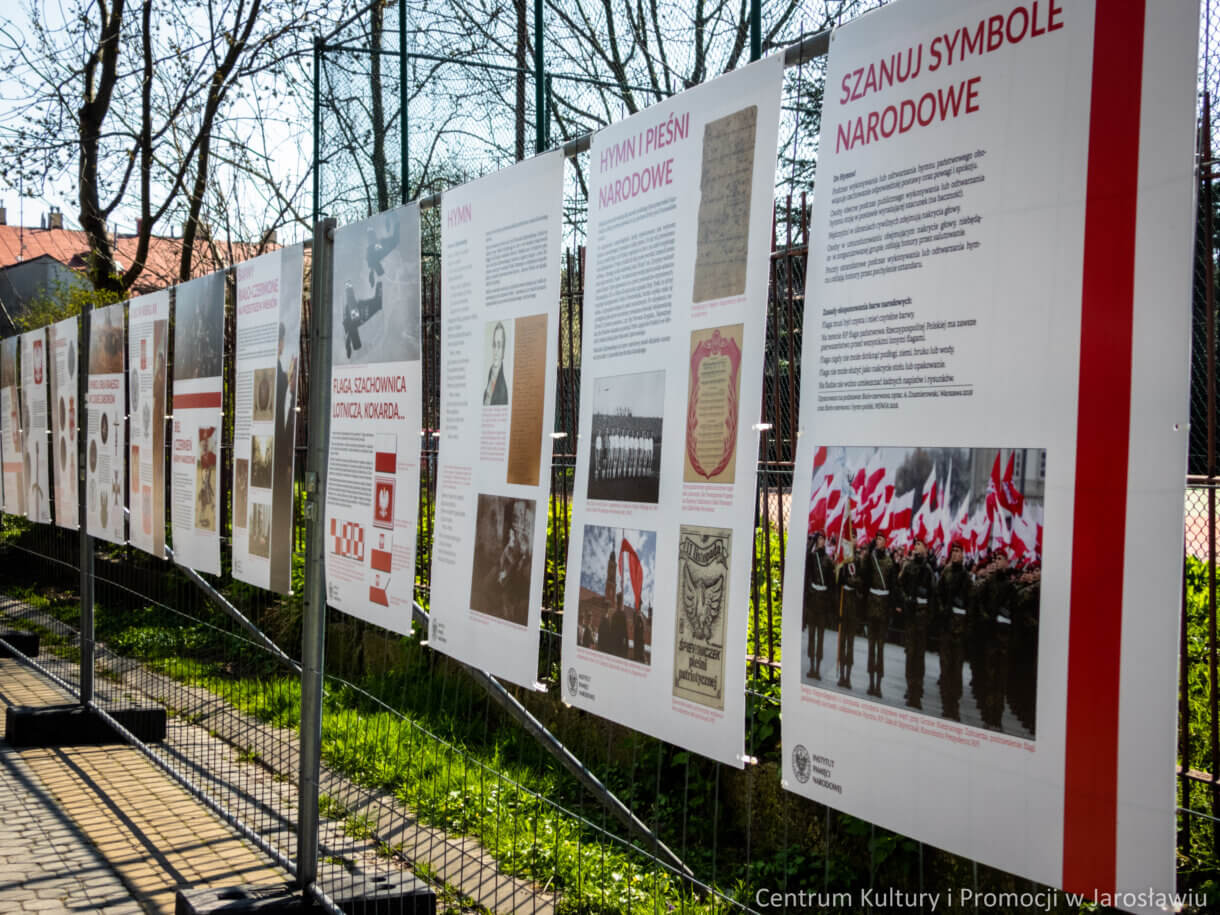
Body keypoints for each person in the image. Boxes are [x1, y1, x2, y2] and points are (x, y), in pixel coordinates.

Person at [935, 541, 972, 721]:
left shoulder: (966, 577)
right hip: (946, 627)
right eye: (954, 551)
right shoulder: (946, 572)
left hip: (959, 628)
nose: (956, 554)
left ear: (963, 554)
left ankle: (954, 705)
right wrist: (942, 610)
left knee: (956, 670)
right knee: (945, 667)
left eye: (959, 551)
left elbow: (971, 603)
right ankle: (945, 705)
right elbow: (938, 594)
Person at [898, 536, 935, 709]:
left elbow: (933, 596)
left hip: (921, 617)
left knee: (919, 657)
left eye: (919, 545)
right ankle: (910, 687)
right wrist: (907, 600)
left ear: (926, 549)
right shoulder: (909, 566)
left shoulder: (928, 570)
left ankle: (917, 691)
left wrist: (927, 612)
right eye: (916, 544)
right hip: (911, 617)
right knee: (910, 654)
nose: (916, 547)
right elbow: (901, 586)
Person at [863, 533, 897, 698]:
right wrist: (869, 550)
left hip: (883, 608)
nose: (878, 541)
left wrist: (890, 611)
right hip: (871, 608)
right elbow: (864, 573)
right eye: (876, 539)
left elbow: (893, 587)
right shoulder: (871, 559)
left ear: (886, 542)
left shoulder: (890, 563)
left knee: (880, 648)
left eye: (881, 539)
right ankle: (870, 682)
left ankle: (878, 684)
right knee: (871, 647)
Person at [803, 531, 834, 680]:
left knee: (820, 635)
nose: (821, 541)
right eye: (819, 539)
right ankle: (811, 665)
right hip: (813, 598)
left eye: (823, 539)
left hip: (823, 601)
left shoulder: (828, 560)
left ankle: (817, 667)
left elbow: (831, 584)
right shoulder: (811, 556)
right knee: (811, 635)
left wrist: (829, 605)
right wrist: (811, 542)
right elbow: (806, 564)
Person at [837, 547, 865, 689]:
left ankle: (848, 677)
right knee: (842, 643)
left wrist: (851, 581)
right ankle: (841, 675)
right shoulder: (843, 562)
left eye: (854, 537)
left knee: (850, 644)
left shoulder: (859, 563)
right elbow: (839, 582)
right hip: (844, 605)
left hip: (853, 607)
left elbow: (861, 582)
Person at [483, 322, 508, 406]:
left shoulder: (503, 391)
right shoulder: (490, 373)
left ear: (503, 351)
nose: (495, 350)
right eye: (494, 345)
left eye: (499, 345)